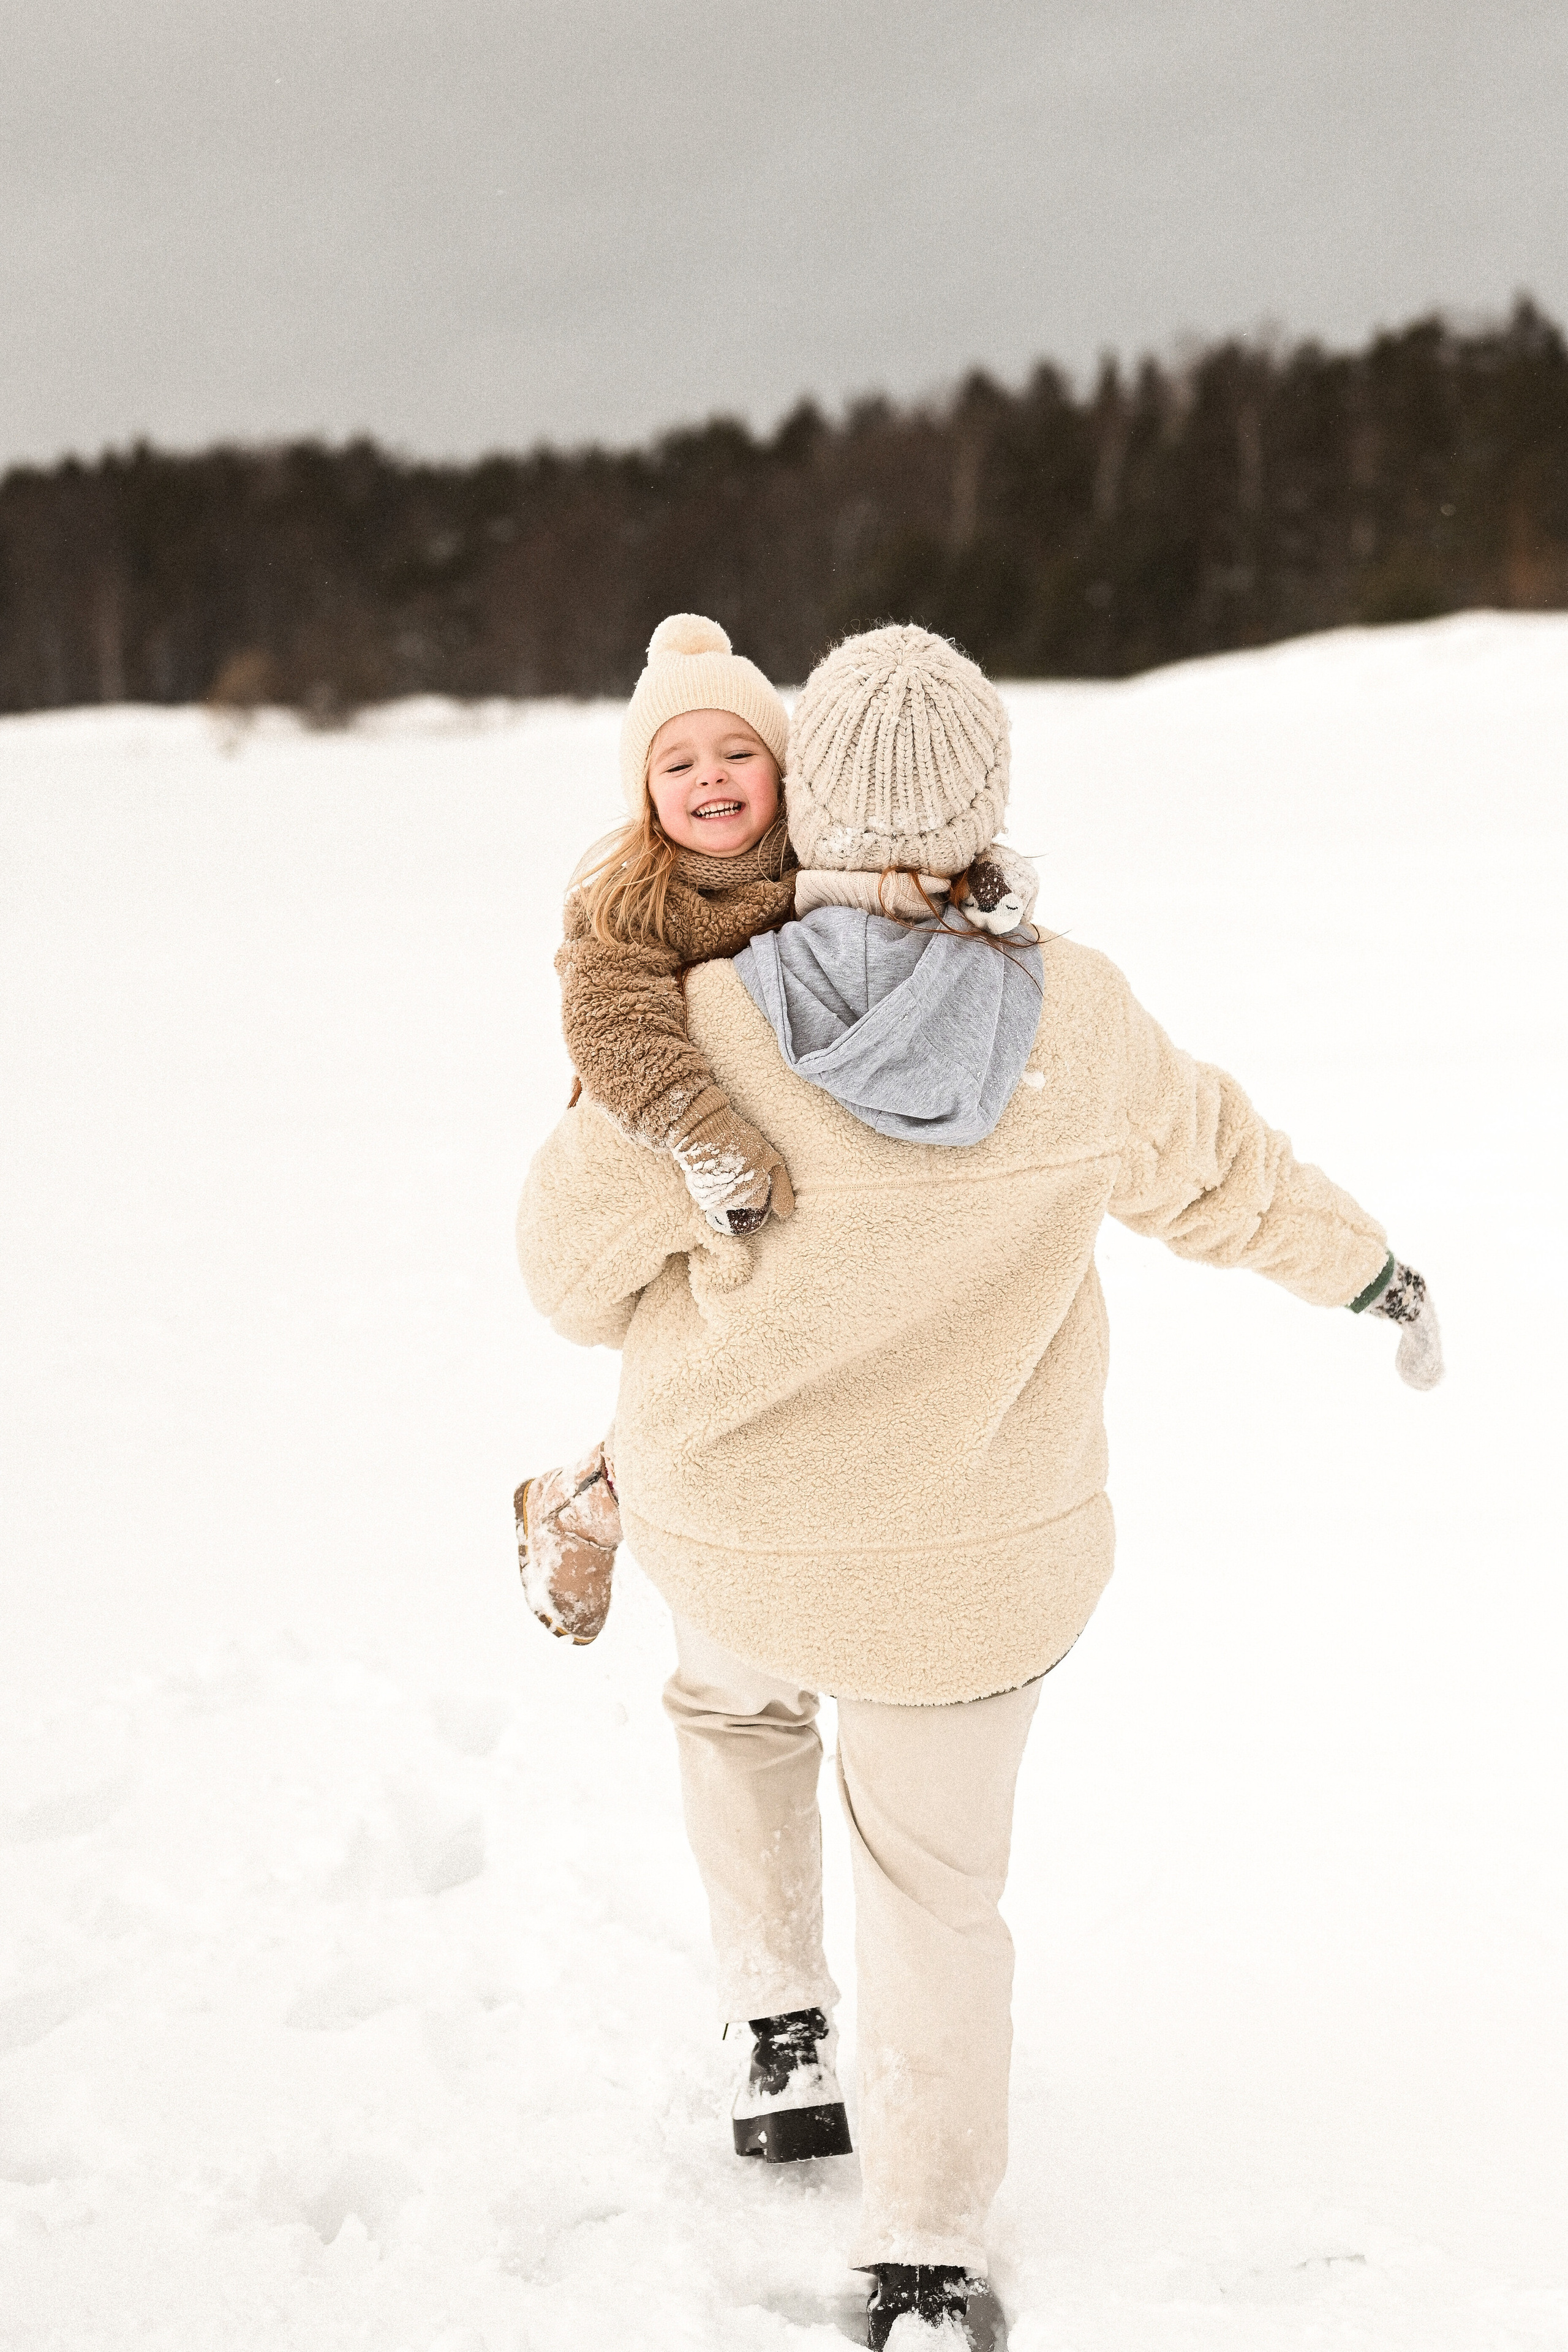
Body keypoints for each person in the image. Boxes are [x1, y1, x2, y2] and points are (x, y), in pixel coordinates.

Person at [515, 624, 1441, 2349]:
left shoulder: (700, 1024)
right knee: (936, 1882)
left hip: (739, 1530)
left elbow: (567, 1280)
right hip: (977, 1566)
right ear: (981, 803)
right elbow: (1226, 1177)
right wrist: (1374, 1275)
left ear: (806, 795)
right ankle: (923, 2254)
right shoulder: (1076, 1021)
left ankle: (780, 2024)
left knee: (733, 1703)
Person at [516, 613, 1036, 1647]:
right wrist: (703, 1138)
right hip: (668, 1145)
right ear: (647, 791)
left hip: (793, 1148)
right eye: (679, 762)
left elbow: (880, 882)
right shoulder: (630, 901)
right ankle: (587, 1495)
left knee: (790, 1340)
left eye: (739, 751)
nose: (712, 777)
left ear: (784, 769)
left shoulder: (804, 855)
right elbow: (616, 1028)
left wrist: (981, 884)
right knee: (716, 1359)